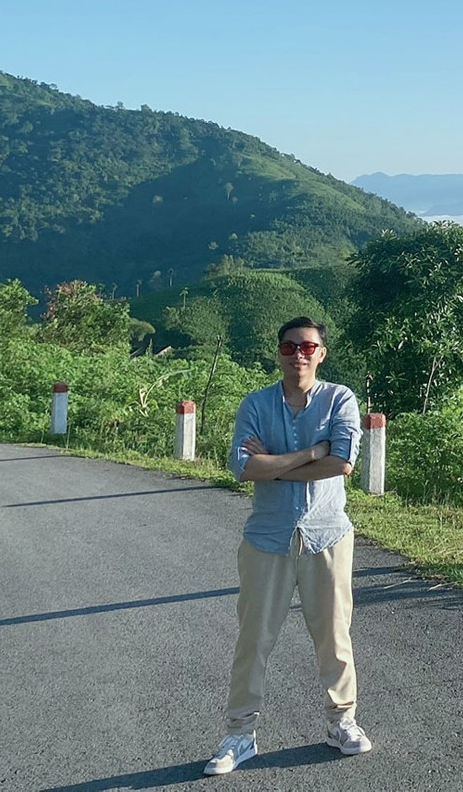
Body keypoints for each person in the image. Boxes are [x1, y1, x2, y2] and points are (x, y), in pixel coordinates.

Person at [205, 316, 373, 775]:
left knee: (334, 637)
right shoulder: (255, 404)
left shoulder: (341, 398)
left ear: (321, 353)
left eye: (307, 347)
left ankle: (342, 722)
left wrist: (273, 465)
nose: (297, 354)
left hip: (327, 536)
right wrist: (308, 454)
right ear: (277, 353)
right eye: (288, 347)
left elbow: (342, 464)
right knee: (253, 639)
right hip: (267, 537)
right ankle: (240, 735)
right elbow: (241, 467)